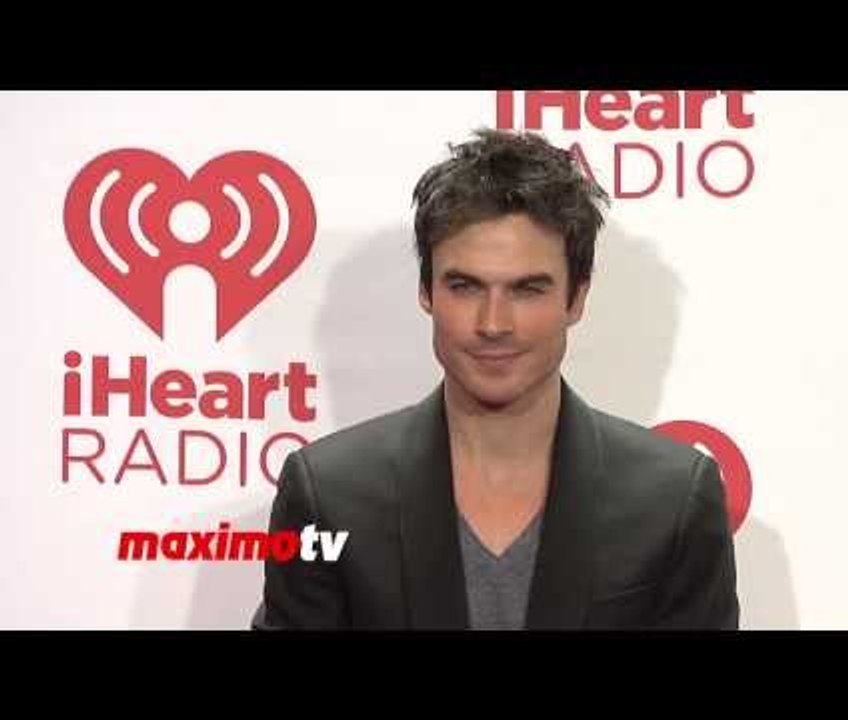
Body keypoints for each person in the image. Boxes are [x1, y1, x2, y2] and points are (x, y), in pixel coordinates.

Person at [252, 128, 739, 630]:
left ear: (576, 299)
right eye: (464, 286)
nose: (493, 323)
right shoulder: (329, 495)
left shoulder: (673, 499)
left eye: (527, 289)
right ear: (426, 292)